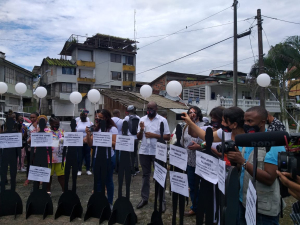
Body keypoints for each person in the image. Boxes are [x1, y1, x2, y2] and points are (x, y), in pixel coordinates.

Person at [227, 106, 285, 225]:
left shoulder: (274, 144)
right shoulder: (246, 141)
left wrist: (242, 161)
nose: (246, 124)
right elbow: (242, 169)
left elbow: (269, 178)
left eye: (250, 121)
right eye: (245, 121)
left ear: (262, 122)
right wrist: (235, 160)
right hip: (243, 202)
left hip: (263, 209)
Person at [136, 101, 170, 212]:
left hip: (158, 151)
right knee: (145, 175)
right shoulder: (142, 120)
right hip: (144, 151)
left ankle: (162, 201)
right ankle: (144, 198)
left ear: (156, 109)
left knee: (160, 175)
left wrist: (154, 135)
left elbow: (167, 136)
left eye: (151, 108)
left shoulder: (162, 120)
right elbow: (139, 137)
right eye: (148, 108)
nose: (149, 110)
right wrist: (141, 130)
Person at [86, 109, 117, 209]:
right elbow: (91, 145)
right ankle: (99, 201)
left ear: (106, 118)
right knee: (97, 180)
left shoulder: (112, 129)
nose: (98, 120)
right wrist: (88, 135)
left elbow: (115, 144)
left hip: (108, 157)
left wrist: (103, 138)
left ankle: (109, 203)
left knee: (108, 180)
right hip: (96, 157)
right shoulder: (96, 129)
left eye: (101, 118)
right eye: (97, 118)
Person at [181, 106, 205, 217]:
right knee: (192, 186)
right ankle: (195, 207)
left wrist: (199, 147)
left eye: (194, 112)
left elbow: (208, 143)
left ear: (198, 114)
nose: (191, 114)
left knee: (203, 187)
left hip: (202, 161)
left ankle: (206, 209)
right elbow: (183, 142)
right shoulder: (186, 126)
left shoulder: (204, 126)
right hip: (190, 161)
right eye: (189, 112)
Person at [44, 115, 65, 194]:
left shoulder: (62, 131)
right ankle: (48, 191)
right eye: (54, 124)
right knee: (48, 176)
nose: (56, 125)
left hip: (60, 158)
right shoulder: (45, 131)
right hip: (48, 158)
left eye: (58, 124)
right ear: (50, 123)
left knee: (62, 175)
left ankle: (64, 191)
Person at [123, 105, 140, 175]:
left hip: (129, 138)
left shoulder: (126, 118)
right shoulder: (138, 117)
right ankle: (136, 168)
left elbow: (123, 126)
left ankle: (131, 169)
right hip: (136, 138)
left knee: (130, 154)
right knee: (135, 153)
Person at [24, 112, 39, 186]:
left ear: (37, 118)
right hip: (30, 147)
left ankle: (38, 178)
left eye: (34, 117)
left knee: (37, 162)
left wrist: (36, 128)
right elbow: (26, 136)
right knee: (29, 162)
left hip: (38, 147)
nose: (32, 119)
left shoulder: (40, 126)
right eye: (31, 117)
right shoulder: (29, 126)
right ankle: (28, 177)